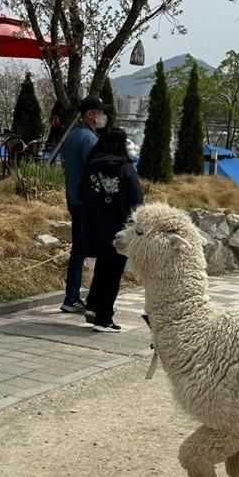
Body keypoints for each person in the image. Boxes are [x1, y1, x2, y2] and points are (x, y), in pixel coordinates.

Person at [80, 128, 143, 332]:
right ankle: (104, 318)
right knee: (113, 273)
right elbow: (137, 201)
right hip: (119, 230)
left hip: (94, 226)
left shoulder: (91, 167)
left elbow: (82, 194)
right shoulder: (126, 169)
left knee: (101, 268)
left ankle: (92, 307)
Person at [60, 95, 108, 314]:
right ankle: (81, 298)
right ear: (90, 114)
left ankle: (72, 296)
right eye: (100, 113)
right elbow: (97, 171)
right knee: (98, 250)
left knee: (78, 249)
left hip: (73, 198)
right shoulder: (89, 139)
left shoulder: (72, 136)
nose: (102, 117)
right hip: (88, 202)